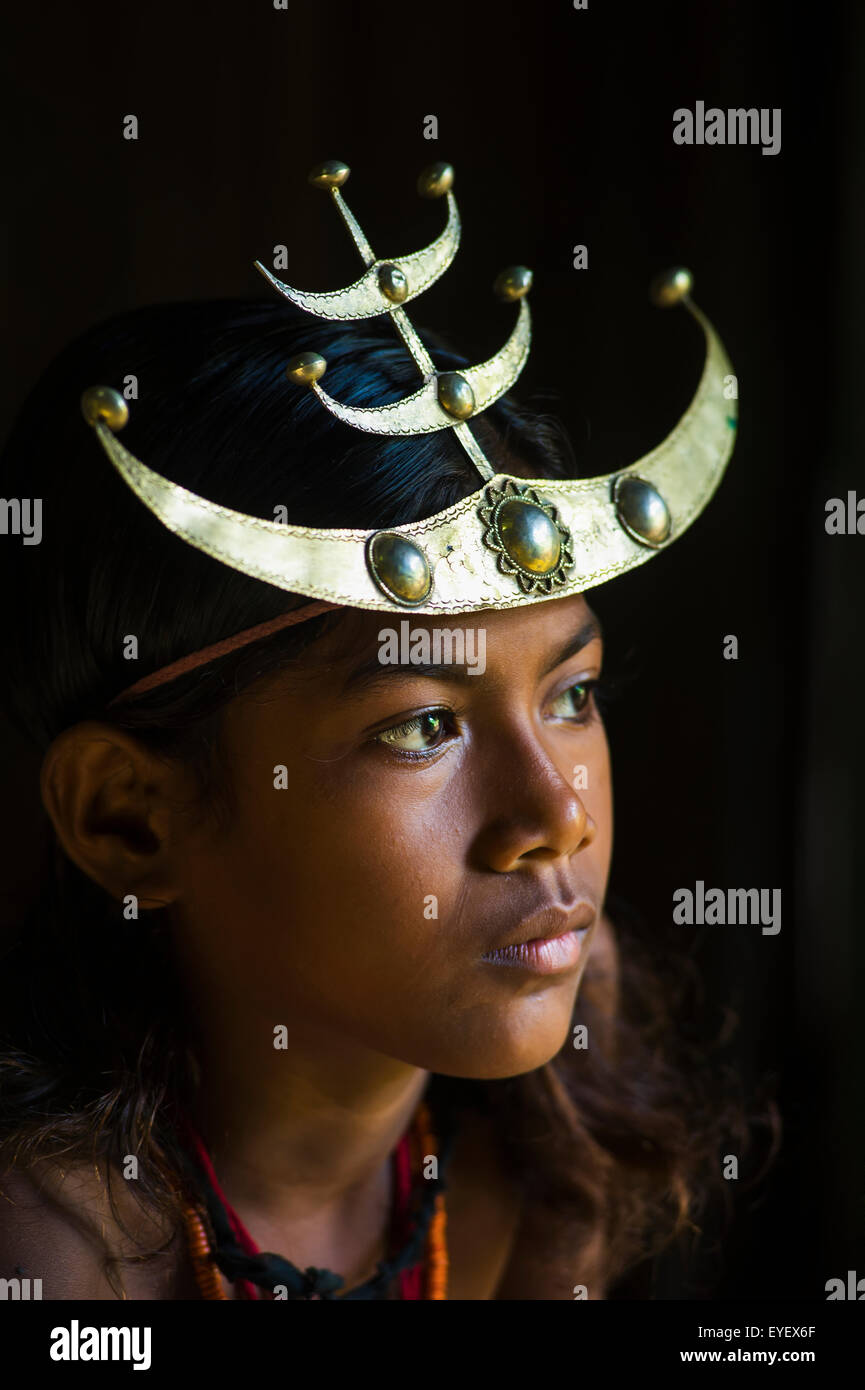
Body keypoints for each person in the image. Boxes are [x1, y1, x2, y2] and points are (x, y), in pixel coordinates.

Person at [0, 162, 744, 1300]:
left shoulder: (544, 1161)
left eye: (570, 696)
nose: (555, 815)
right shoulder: (47, 1260)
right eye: (424, 726)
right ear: (129, 817)